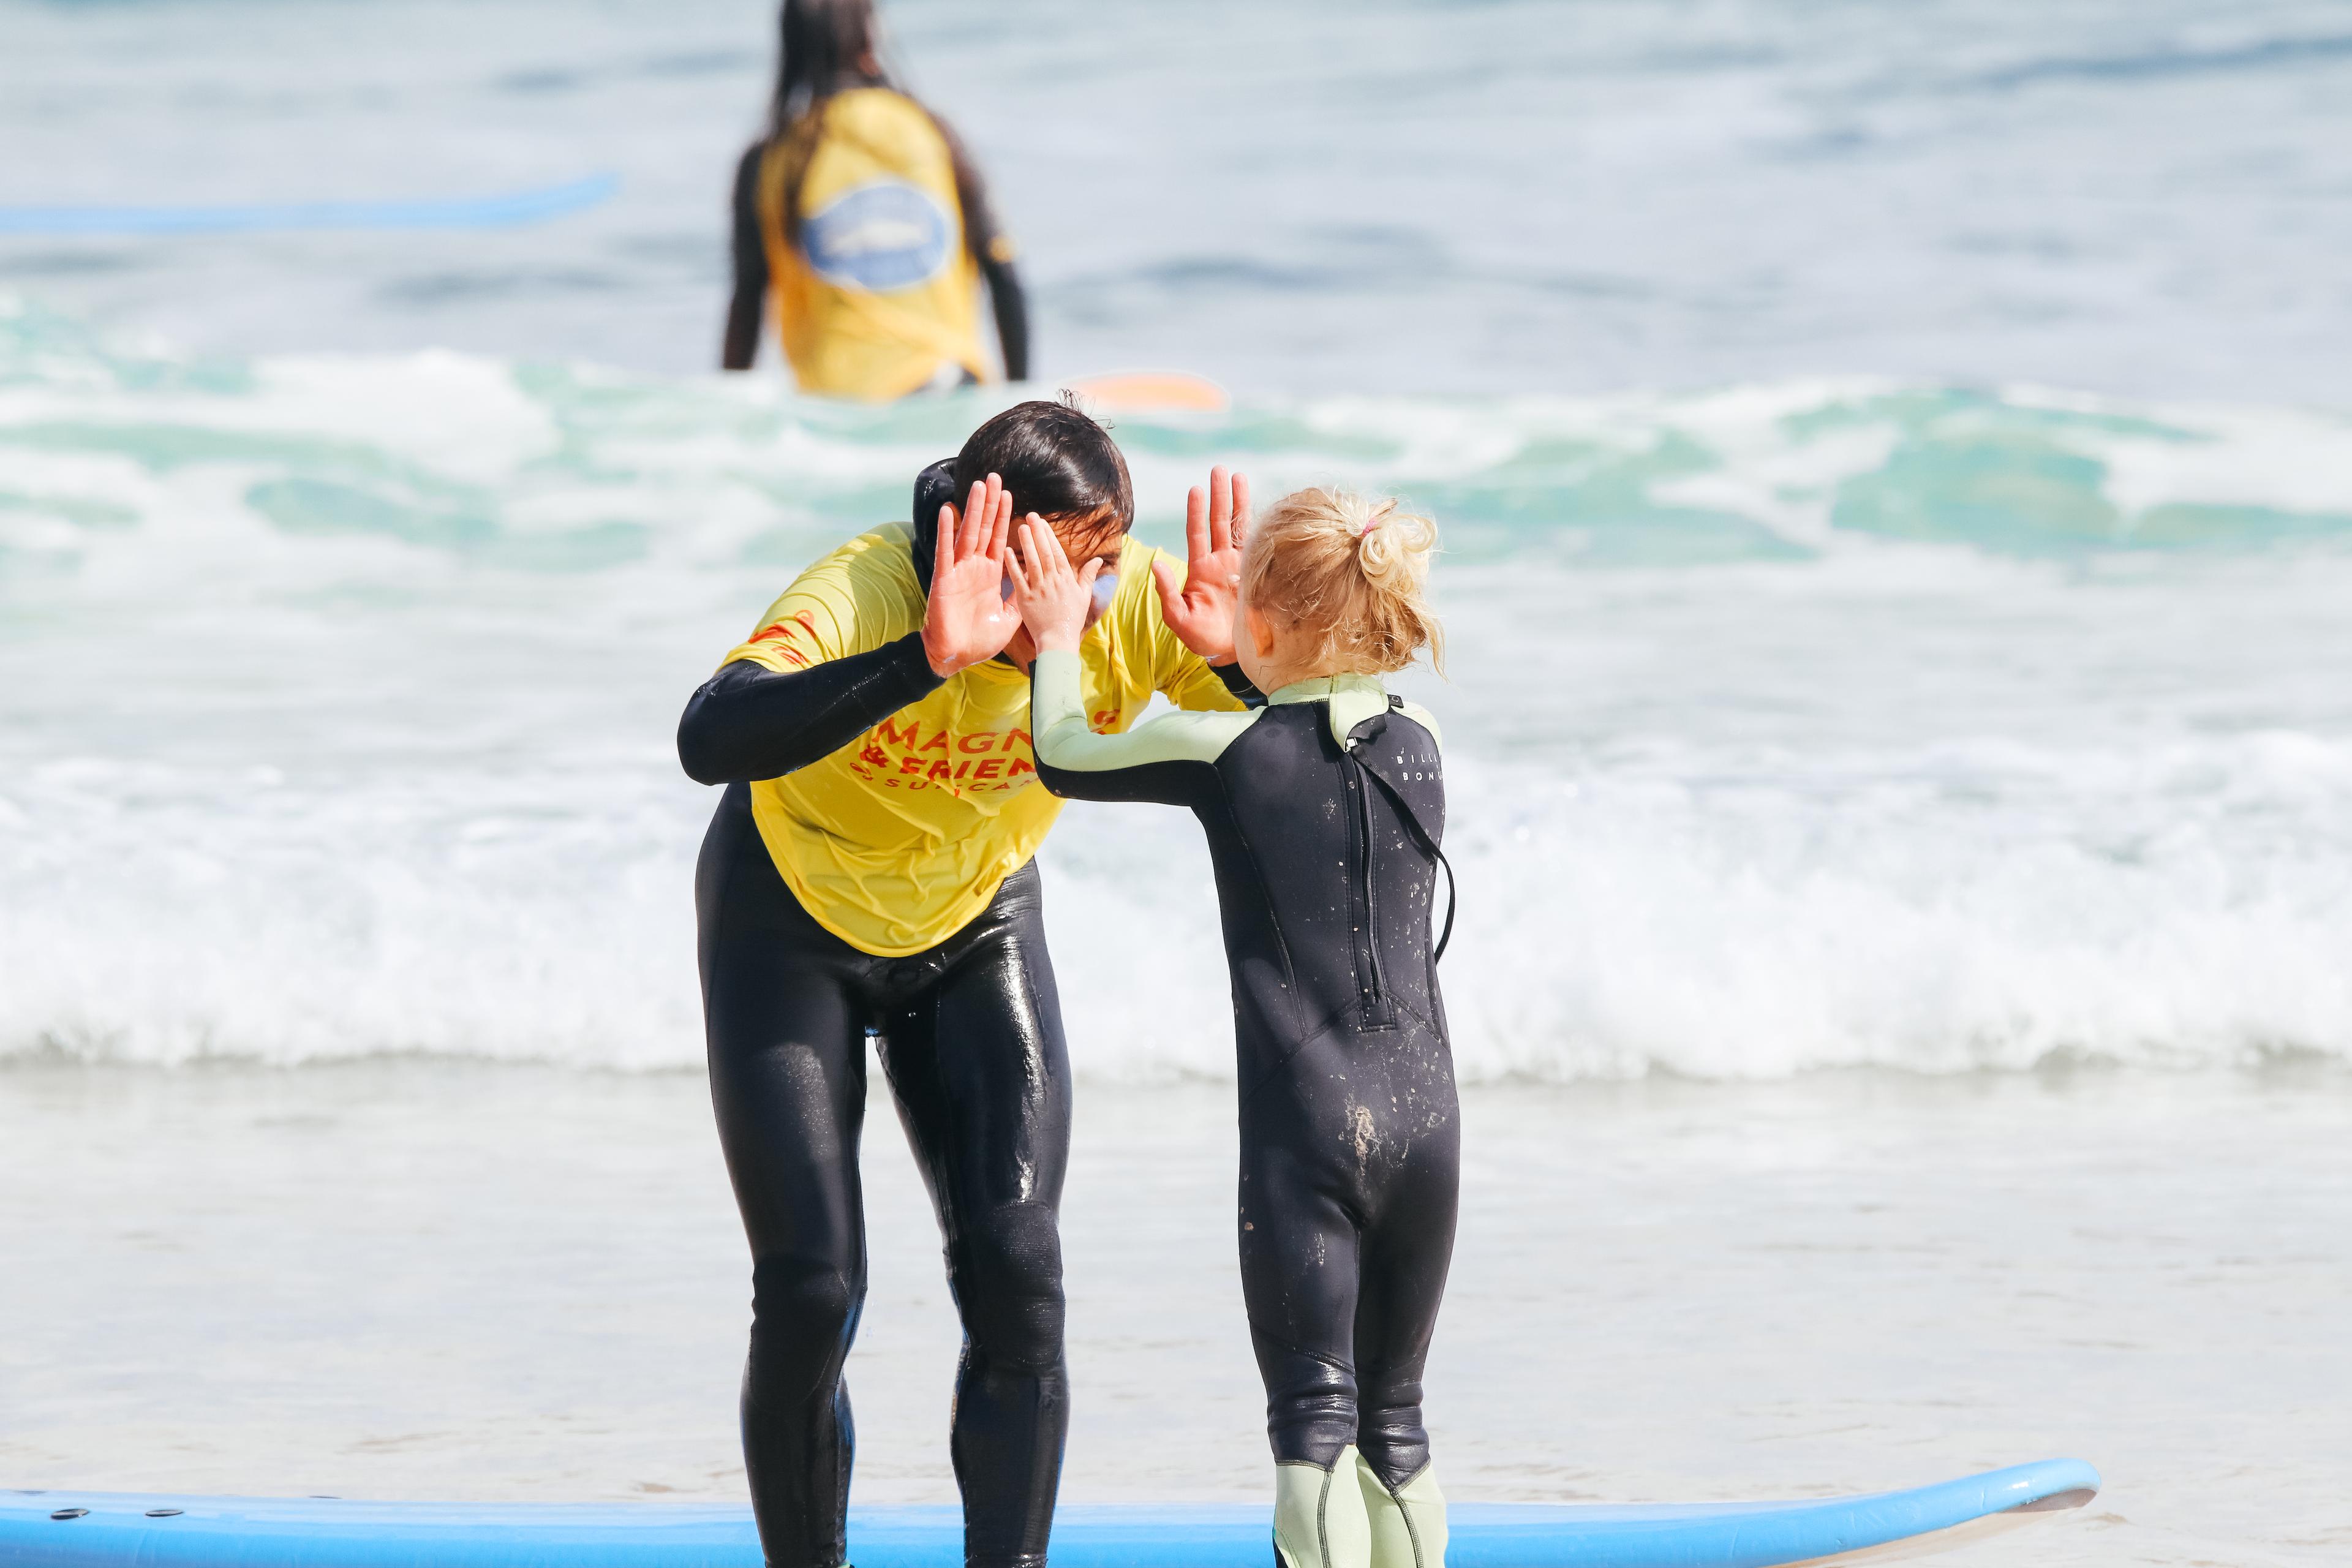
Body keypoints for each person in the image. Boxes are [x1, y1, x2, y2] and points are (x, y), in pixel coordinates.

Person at [676, 399, 1256, 1568]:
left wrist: (1241, 667)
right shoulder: (874, 587)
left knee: (1019, 1265)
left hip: (974, 924)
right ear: (991, 536)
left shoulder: (1133, 606)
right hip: (789, 921)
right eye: (1071, 561)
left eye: (1107, 562)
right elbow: (708, 737)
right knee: (811, 1288)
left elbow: (1287, 763)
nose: (1092, 598)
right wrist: (926, 659)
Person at [1008, 489, 1458, 1568]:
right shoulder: (1425, 741)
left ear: (1260, 622)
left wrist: (1061, 639)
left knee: (1315, 1425)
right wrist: (1253, 653)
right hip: (1430, 1124)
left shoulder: (1227, 754)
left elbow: (1064, 751)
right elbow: (1321, 727)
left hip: (1309, 1132)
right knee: (1396, 1423)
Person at [721, 0, 1029, 398]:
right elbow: (1003, 272)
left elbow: (747, 302)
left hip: (840, 407)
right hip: (950, 383)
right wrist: (1021, 399)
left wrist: (725, 416)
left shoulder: (770, 162)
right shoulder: (934, 134)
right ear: (870, 38)